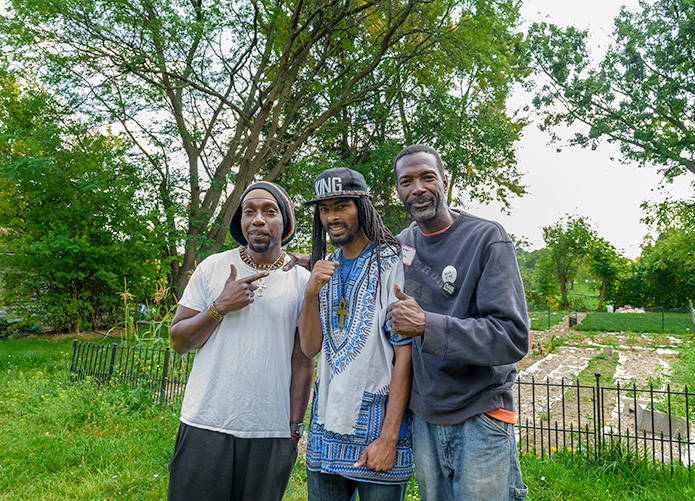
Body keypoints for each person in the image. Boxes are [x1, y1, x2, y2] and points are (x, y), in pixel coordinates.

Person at [387, 145, 530, 500]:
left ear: (446, 182)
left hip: (480, 411)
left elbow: (512, 337)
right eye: (407, 181)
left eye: (427, 177)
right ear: (399, 192)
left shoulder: (486, 239)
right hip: (425, 415)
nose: (417, 188)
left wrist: (426, 325)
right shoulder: (401, 245)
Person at [167, 181, 313, 501]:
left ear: (284, 222)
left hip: (270, 431)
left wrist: (293, 429)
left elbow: (302, 360)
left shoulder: (301, 281)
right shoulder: (214, 267)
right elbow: (178, 341)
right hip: (206, 422)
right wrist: (219, 307)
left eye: (269, 211)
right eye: (249, 212)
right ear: (241, 222)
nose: (258, 219)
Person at [299, 167, 414, 500]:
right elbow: (309, 347)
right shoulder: (324, 269)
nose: (331, 217)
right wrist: (310, 292)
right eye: (324, 209)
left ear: (362, 207)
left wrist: (389, 437)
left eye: (341, 206)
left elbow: (404, 354)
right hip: (325, 432)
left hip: (377, 432)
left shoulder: (394, 262)